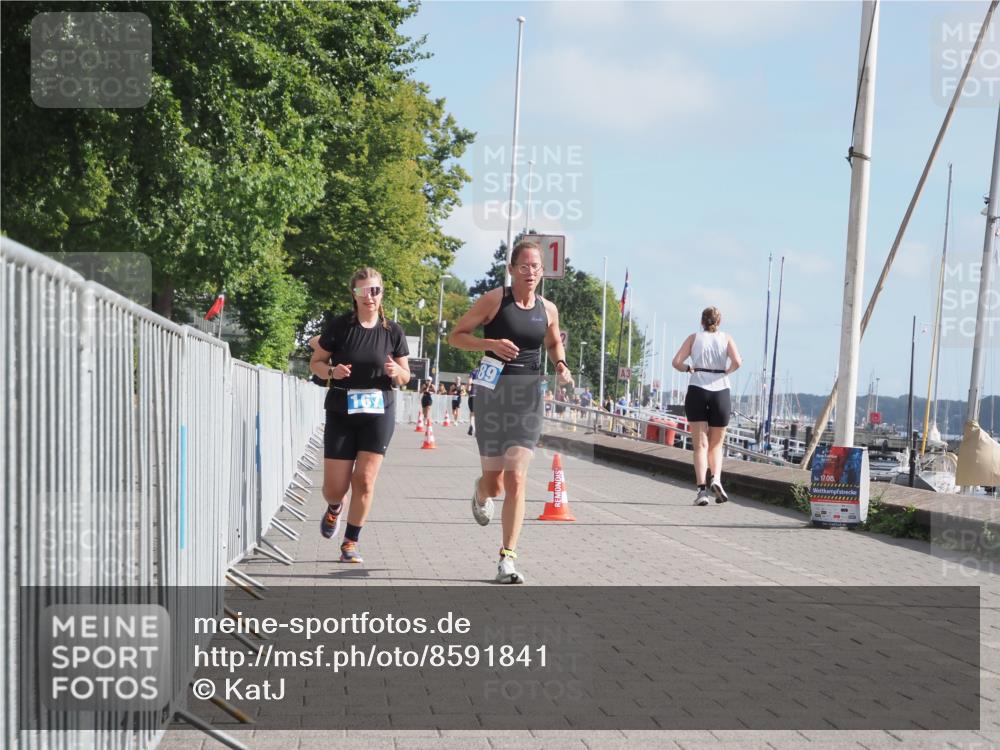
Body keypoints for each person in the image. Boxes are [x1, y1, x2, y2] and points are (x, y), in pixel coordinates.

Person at [449, 239, 574, 583]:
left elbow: (552, 341)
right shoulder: (495, 300)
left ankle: (507, 558)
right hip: (492, 395)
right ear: (512, 269)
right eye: (525, 266)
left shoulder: (548, 309)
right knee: (496, 484)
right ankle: (480, 491)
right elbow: (456, 336)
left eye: (536, 267)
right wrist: (490, 343)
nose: (531, 272)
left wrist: (560, 364)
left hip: (527, 397)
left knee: (518, 476)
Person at [309, 267, 410, 562]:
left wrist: (397, 372)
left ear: (382, 294)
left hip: (379, 412)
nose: (370, 297)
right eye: (364, 291)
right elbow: (316, 362)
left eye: (375, 291)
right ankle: (334, 508)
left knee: (365, 481)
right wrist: (332, 372)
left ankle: (350, 543)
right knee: (334, 489)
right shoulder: (340, 327)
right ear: (354, 294)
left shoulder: (393, 332)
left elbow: (405, 376)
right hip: (342, 410)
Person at [671, 306, 742, 506]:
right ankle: (717, 479)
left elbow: (676, 362)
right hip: (720, 389)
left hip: (697, 388)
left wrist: (688, 368)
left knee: (700, 445)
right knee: (716, 444)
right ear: (719, 322)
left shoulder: (694, 338)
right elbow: (737, 361)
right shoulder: (727, 338)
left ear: (702, 321)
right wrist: (726, 371)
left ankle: (701, 491)